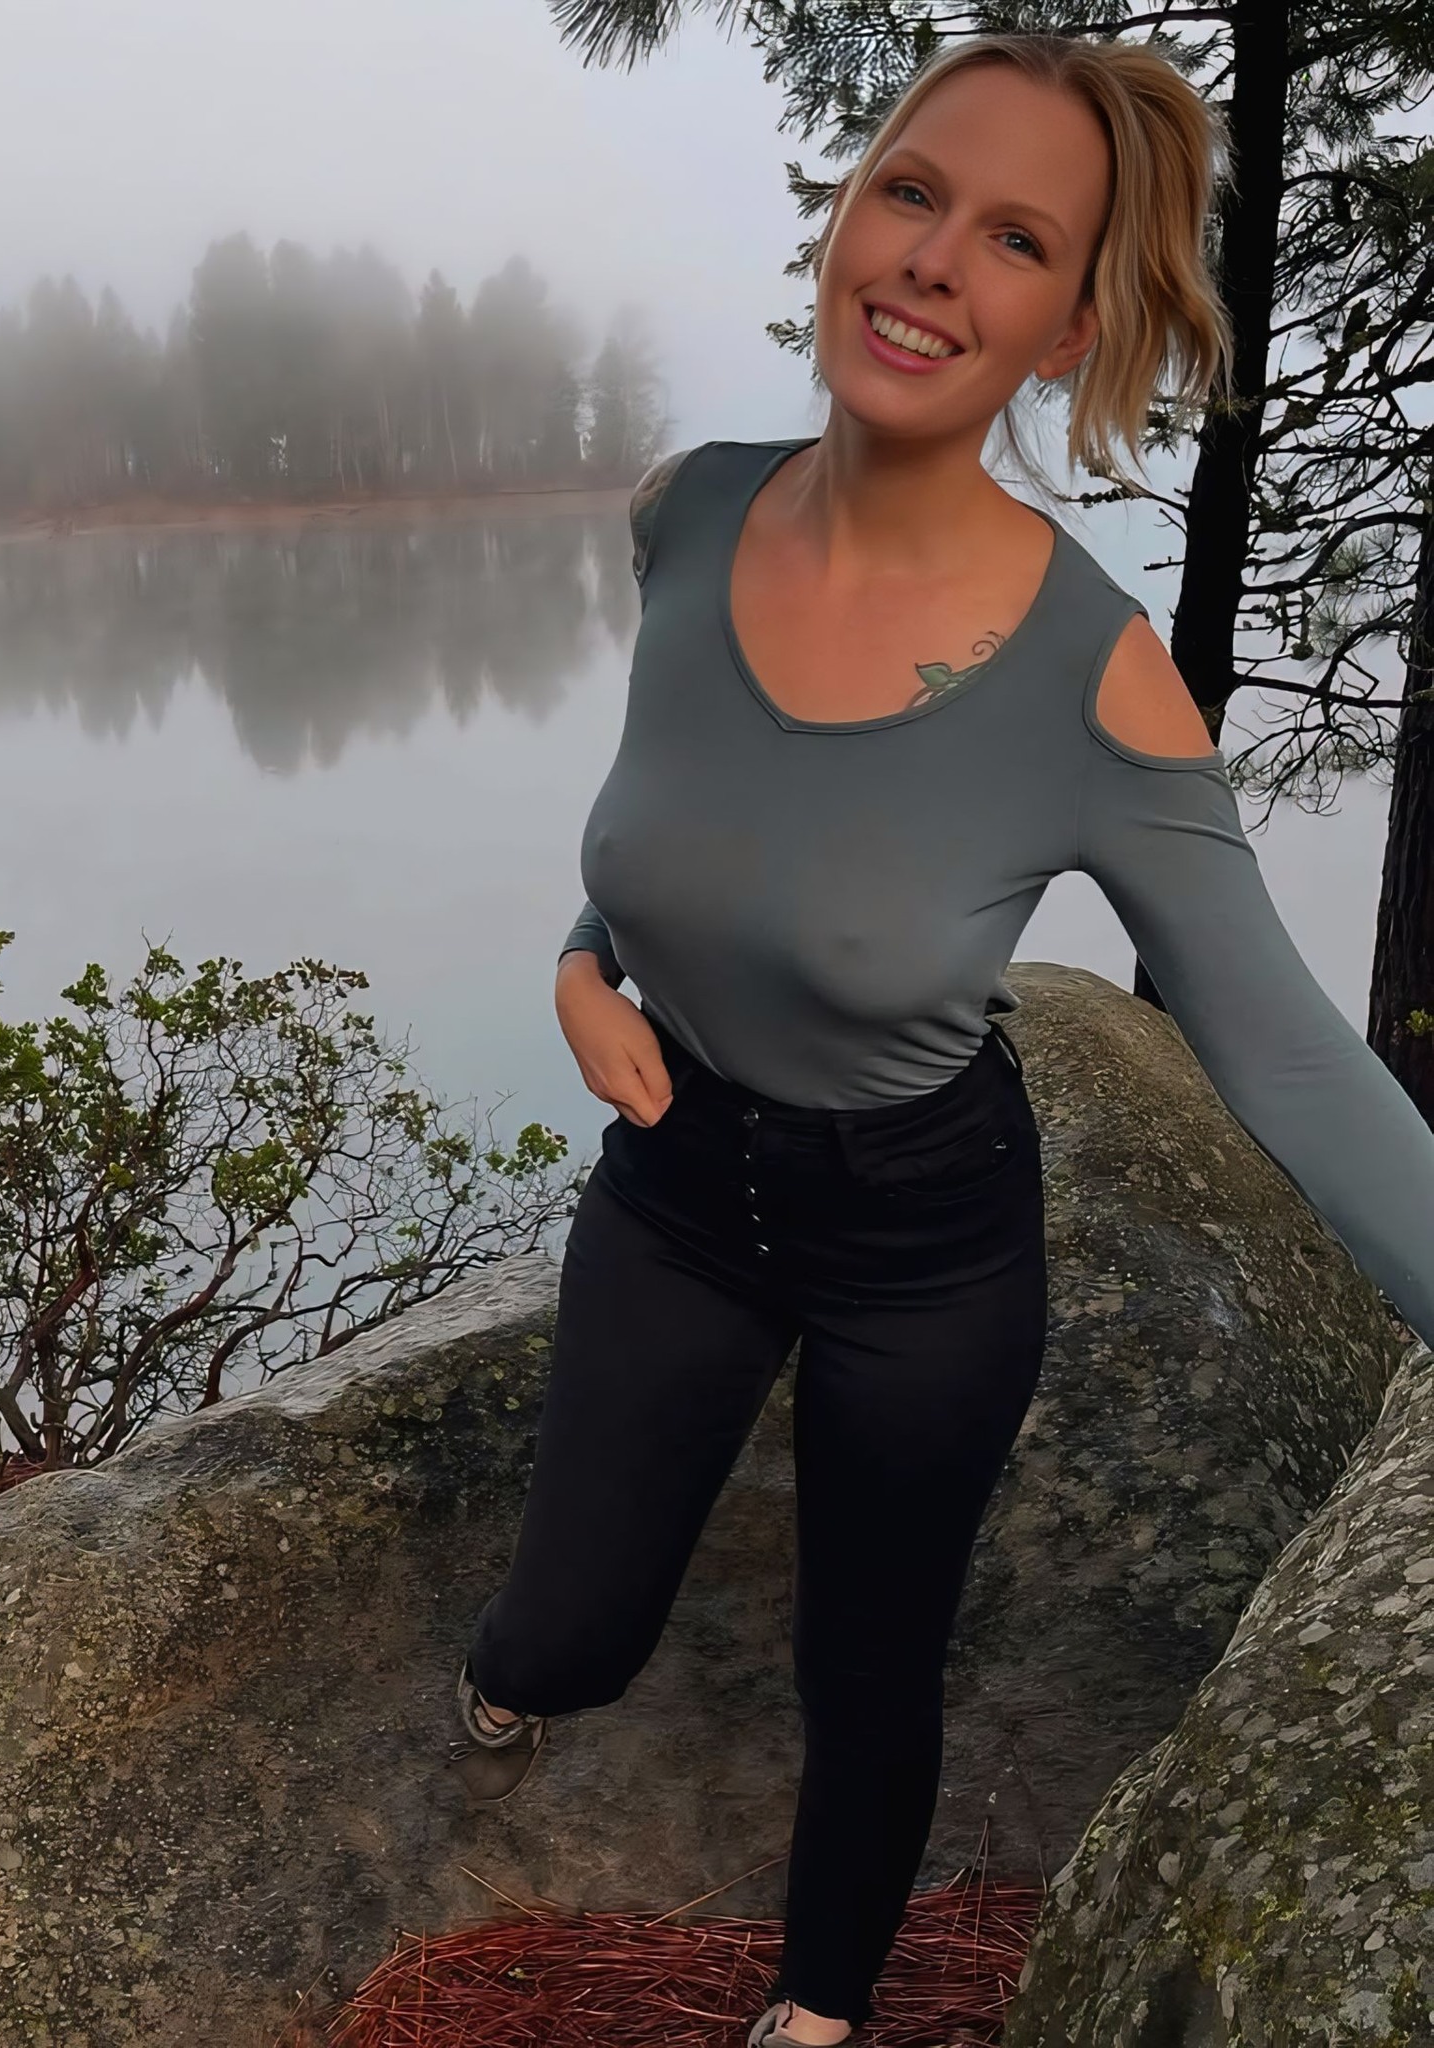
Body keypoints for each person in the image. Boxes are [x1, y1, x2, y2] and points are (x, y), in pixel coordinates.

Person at [445, 30, 1434, 2048]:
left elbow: (1293, 1063)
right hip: (675, 1191)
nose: (931, 263)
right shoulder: (689, 514)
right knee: (562, 1639)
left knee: (869, 1663)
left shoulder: (1097, 678)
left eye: (1015, 240)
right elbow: (685, 844)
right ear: (846, 215)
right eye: (913, 193)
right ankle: (524, 1678)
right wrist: (577, 969)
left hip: (919, 1235)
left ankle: (819, 2008)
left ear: (1068, 330)